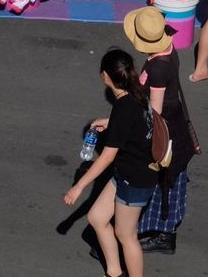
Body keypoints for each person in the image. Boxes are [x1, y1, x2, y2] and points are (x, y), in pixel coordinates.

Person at [63, 48, 155, 277]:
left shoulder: (123, 107)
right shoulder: (136, 94)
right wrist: (110, 122)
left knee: (126, 235)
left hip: (134, 179)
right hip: (129, 172)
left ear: (105, 76)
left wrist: (78, 186)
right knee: (96, 218)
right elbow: (133, 123)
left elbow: (106, 156)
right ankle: (114, 272)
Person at [123, 6, 196, 256]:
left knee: (163, 183)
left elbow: (155, 113)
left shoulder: (158, 69)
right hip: (176, 131)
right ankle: (162, 231)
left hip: (167, 136)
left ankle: (164, 235)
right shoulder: (169, 47)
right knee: (170, 182)